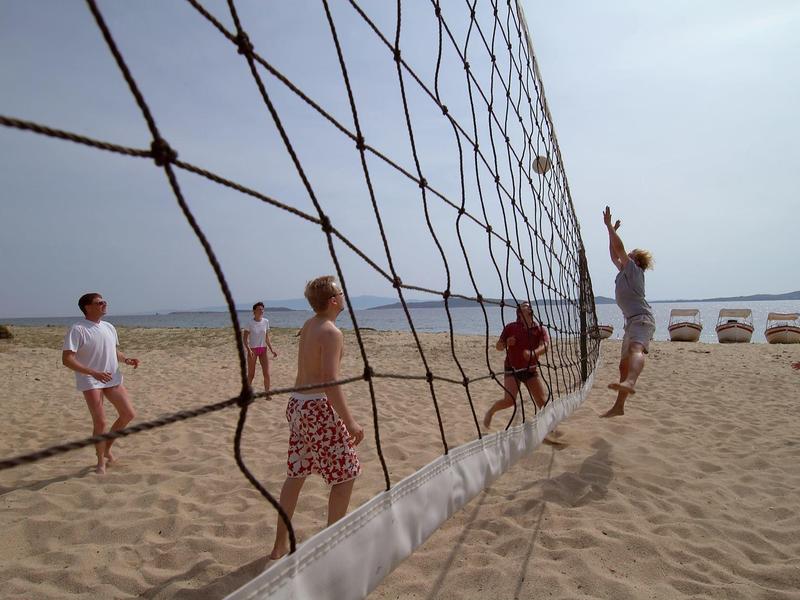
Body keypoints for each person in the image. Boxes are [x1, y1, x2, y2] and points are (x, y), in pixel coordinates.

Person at [269, 276, 364, 560]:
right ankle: (332, 545)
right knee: (347, 474)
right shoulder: (332, 332)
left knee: (296, 474)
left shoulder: (309, 324)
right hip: (314, 408)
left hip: (296, 405)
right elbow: (330, 380)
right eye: (341, 292)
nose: (345, 295)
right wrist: (350, 422)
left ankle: (279, 547)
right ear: (334, 300)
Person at [61, 293, 139, 475]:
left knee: (128, 414)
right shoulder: (78, 329)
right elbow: (67, 359)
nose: (104, 304)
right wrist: (93, 372)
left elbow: (113, 351)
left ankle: (106, 450)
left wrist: (126, 359)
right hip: (90, 378)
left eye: (104, 302)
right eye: (99, 303)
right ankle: (99, 462)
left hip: (112, 377)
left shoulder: (109, 327)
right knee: (101, 422)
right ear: (87, 307)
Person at [601, 206, 656, 418]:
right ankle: (619, 406)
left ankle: (631, 382)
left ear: (635, 260)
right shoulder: (625, 271)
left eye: (630, 253)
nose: (626, 254)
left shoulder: (634, 269)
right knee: (623, 364)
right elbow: (613, 253)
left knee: (635, 350)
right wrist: (610, 231)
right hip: (632, 322)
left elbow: (619, 248)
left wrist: (609, 227)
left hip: (642, 319)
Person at [483, 301, 549, 429]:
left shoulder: (539, 329)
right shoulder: (511, 327)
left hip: (530, 370)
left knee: (542, 403)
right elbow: (498, 347)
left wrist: (533, 353)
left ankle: (550, 429)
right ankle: (491, 411)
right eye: (525, 306)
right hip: (511, 369)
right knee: (509, 401)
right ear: (519, 312)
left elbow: (545, 346)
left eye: (529, 306)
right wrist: (506, 342)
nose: (528, 307)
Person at [243, 301, 278, 393]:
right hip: (253, 350)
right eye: (259, 309)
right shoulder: (249, 323)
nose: (261, 311)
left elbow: (266, 337)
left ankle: (267, 393)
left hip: (263, 349)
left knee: (266, 373)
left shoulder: (266, 321)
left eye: (262, 309)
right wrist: (248, 349)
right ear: (254, 311)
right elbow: (244, 339)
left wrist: (272, 349)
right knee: (251, 374)